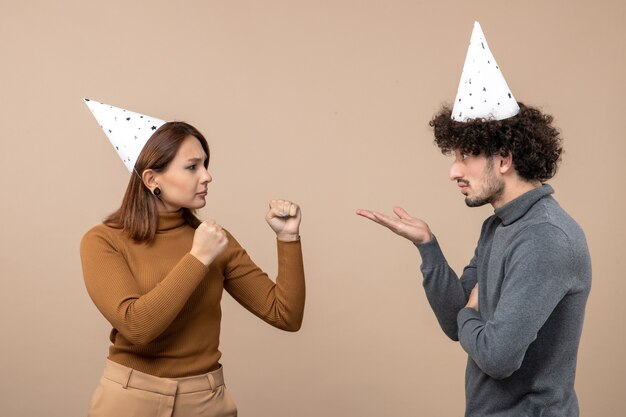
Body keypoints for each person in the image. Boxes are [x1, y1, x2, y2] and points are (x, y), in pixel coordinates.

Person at [356, 22, 591, 417]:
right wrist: (428, 248)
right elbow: (455, 323)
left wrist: (471, 312)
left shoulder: (545, 237)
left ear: (503, 158)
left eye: (465, 155)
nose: (453, 171)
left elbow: (498, 358)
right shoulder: (499, 226)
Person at [80, 100, 305, 417]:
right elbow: (137, 328)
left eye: (206, 165)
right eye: (192, 167)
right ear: (152, 179)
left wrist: (288, 237)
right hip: (130, 402)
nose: (207, 176)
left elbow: (286, 315)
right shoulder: (104, 241)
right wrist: (197, 257)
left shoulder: (215, 240)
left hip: (205, 401)